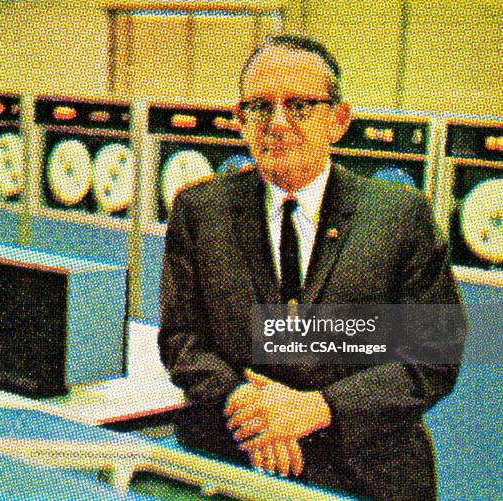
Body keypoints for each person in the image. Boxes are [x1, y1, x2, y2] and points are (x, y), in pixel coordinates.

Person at [158, 34, 465, 500]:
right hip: (232, 467)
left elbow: (433, 354)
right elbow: (181, 337)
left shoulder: (400, 215)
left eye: (299, 106)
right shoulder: (200, 211)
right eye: (260, 107)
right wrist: (244, 405)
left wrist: (317, 408)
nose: (277, 123)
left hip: (366, 476)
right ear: (240, 119)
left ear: (338, 121)